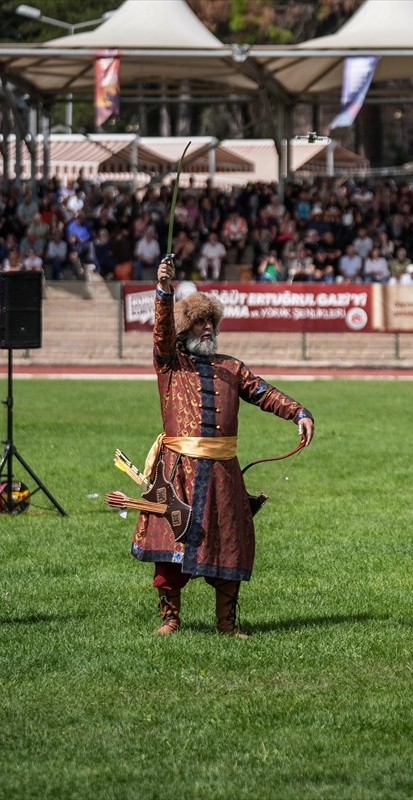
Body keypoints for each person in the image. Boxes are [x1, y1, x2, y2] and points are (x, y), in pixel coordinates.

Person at [133, 257, 315, 638]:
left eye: (210, 322)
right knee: (171, 546)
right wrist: (164, 292)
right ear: (186, 328)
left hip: (222, 473)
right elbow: (161, 333)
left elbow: (264, 392)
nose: (207, 328)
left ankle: (227, 624)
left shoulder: (232, 367)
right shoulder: (169, 363)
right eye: (199, 322)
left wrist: (299, 413)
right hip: (177, 471)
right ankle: (170, 619)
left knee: (229, 543)